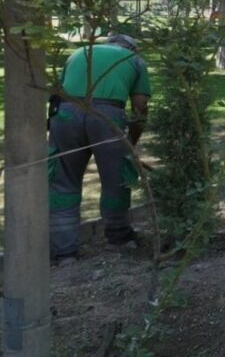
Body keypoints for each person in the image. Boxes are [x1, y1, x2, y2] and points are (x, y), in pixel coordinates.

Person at [49, 33, 152, 263]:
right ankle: (120, 238)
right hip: (107, 118)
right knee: (116, 179)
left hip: (65, 113)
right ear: (133, 49)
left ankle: (64, 252)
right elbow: (140, 105)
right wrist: (131, 144)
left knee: (63, 181)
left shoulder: (79, 52)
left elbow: (56, 92)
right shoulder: (135, 61)